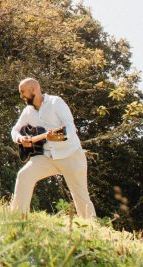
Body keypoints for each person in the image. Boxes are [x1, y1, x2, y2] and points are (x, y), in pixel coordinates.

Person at [10, 77, 96, 219]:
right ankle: (17, 218)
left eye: (23, 92)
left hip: (71, 155)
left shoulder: (56, 102)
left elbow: (70, 127)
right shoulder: (27, 112)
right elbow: (14, 130)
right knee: (24, 176)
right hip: (47, 157)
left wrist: (56, 137)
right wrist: (20, 138)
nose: (21, 96)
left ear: (34, 89)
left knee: (81, 197)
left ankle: (93, 230)